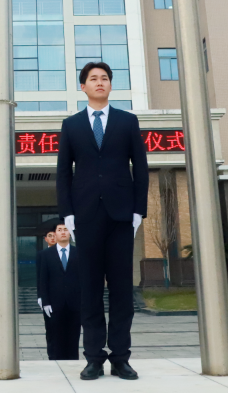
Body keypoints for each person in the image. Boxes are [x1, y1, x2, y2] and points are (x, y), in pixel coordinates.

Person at [56, 62, 148, 381]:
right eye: (93, 79)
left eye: (104, 78)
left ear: (110, 85)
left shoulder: (127, 121)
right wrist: (68, 213)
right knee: (90, 290)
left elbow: (141, 168)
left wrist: (138, 212)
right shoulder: (71, 125)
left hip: (121, 215)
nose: (100, 82)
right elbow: (63, 173)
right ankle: (94, 357)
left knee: (122, 289)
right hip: (86, 216)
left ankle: (121, 358)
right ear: (83, 86)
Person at [38, 222, 82, 360]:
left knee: (73, 336)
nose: (63, 232)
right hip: (54, 304)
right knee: (54, 336)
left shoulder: (79, 253)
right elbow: (42, 279)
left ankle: (72, 362)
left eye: (66, 229)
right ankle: (55, 362)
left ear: (70, 233)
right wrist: (45, 301)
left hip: (75, 303)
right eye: (60, 230)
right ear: (55, 234)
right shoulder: (45, 255)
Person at [38, 224, 58, 359]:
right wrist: (41, 297)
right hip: (49, 298)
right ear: (45, 239)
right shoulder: (42, 255)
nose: (52, 238)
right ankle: (52, 355)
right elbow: (41, 277)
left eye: (54, 235)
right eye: (49, 236)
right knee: (51, 330)